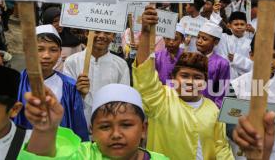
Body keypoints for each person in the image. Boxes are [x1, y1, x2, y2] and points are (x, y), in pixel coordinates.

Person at [132, 5, 233, 159]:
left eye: (197, 78)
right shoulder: (161, 100)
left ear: (205, 82)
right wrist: (146, 33)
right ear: (173, 78)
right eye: (185, 75)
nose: (190, 82)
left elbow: (221, 148)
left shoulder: (213, 109)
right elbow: (145, 77)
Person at [18, 84, 168, 159]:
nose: (116, 134)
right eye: (104, 127)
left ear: (143, 129)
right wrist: (46, 130)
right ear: (92, 131)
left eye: (126, 125)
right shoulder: (82, 155)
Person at [14, 25, 89, 141]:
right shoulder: (16, 83)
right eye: (40, 49)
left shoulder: (69, 86)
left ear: (60, 53)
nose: (46, 56)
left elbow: (78, 127)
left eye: (53, 50)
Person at [227, 33, 275, 160]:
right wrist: (236, 134)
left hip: (270, 147)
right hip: (242, 146)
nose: (269, 61)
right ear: (252, 55)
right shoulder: (236, 84)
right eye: (263, 56)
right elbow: (228, 120)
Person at [63, 30, 130, 126]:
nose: (102, 36)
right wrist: (79, 92)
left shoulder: (121, 65)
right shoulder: (72, 62)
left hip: (109, 123)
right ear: (86, 33)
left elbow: (123, 99)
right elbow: (67, 97)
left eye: (107, 33)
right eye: (97, 32)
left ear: (113, 36)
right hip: (78, 122)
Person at [196, 20, 230, 107]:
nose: (199, 41)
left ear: (216, 42)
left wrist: (214, 109)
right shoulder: (190, 58)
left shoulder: (222, 63)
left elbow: (222, 91)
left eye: (204, 39)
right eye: (198, 37)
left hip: (209, 109)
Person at [215, 11, 253, 80]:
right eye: (236, 24)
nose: (239, 27)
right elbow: (221, 57)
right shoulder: (224, 38)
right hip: (225, 78)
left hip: (244, 79)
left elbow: (252, 65)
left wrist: (236, 59)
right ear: (229, 26)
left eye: (242, 24)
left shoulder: (250, 43)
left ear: (246, 26)